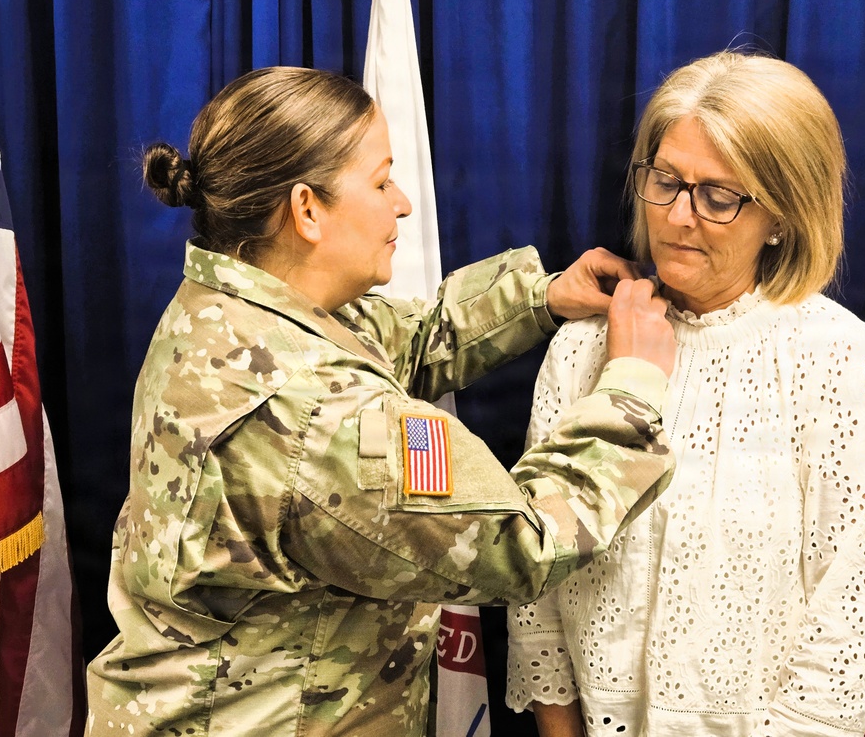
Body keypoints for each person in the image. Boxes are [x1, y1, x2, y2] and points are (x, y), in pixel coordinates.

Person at [84, 66, 679, 736]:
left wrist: (541, 297)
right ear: (307, 210)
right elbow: (523, 544)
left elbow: (403, 338)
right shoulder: (318, 412)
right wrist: (631, 387)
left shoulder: (224, 304)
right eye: (379, 182)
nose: (403, 203)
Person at [505, 50, 865, 737]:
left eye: (718, 197)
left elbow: (851, 628)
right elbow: (536, 587)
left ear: (782, 215)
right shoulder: (581, 347)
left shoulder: (843, 362)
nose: (677, 216)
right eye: (665, 180)